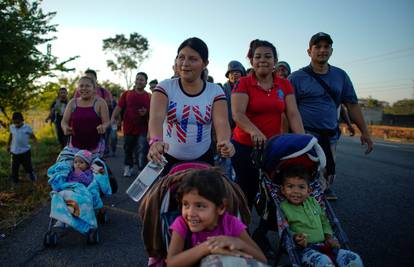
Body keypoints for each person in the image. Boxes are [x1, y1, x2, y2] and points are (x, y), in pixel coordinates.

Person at [288, 32, 373, 200]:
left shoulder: (340, 76)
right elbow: (288, 110)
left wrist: (365, 132)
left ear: (331, 51)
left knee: (325, 180)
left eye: (326, 47)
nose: (322, 50)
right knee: (300, 181)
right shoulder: (296, 78)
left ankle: (322, 209)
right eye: (317, 47)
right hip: (304, 138)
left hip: (330, 137)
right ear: (309, 51)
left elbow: (352, 105)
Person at [231, 39, 304, 209]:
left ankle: (263, 231)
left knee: (274, 192)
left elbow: (293, 114)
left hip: (273, 148)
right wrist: (254, 131)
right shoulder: (243, 83)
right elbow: (237, 114)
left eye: (268, 56)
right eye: (258, 57)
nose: (262, 60)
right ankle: (241, 230)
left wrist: (303, 140)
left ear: (275, 61)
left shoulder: (284, 84)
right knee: (245, 191)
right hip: (245, 147)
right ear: (252, 61)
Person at [147, 37, 234, 174]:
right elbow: (156, 117)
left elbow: (221, 121)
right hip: (166, 158)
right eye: (181, 57)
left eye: (193, 59)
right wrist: (156, 141)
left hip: (203, 159)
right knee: (164, 195)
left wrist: (225, 142)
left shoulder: (215, 91)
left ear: (205, 63)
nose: (185, 63)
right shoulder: (165, 87)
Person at [167, 168, 267, 267]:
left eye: (200, 206)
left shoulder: (231, 224)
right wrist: (207, 247)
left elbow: (262, 259)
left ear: (221, 207)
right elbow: (171, 263)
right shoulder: (181, 224)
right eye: (186, 204)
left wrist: (239, 243)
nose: (190, 213)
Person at [280, 164, 364, 267]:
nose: (296, 191)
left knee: (353, 258)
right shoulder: (284, 207)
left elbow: (324, 221)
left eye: (301, 187)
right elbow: (284, 230)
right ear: (283, 190)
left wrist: (329, 237)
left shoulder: (314, 202)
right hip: (305, 250)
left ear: (309, 190)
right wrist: (295, 237)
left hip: (326, 244)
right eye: (290, 186)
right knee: (323, 262)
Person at [111, 72, 151, 177]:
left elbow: (153, 113)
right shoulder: (127, 94)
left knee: (142, 149)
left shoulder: (149, 96)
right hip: (128, 128)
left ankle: (141, 169)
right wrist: (113, 118)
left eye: (141, 79)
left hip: (143, 128)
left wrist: (146, 112)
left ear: (146, 82)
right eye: (137, 79)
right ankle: (128, 167)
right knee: (128, 148)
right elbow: (118, 107)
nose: (139, 81)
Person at [61, 76, 110, 154]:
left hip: (95, 148)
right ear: (77, 89)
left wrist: (103, 127)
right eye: (81, 86)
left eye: (87, 86)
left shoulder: (100, 102)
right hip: (74, 147)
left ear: (94, 89)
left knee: (94, 166)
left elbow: (107, 122)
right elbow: (64, 122)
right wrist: (65, 128)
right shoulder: (72, 102)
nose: (84, 88)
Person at [7, 112, 38, 184]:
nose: (16, 124)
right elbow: (10, 136)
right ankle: (15, 181)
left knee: (28, 167)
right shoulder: (12, 127)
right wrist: (8, 145)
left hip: (25, 152)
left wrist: (36, 146)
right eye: (15, 123)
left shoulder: (27, 128)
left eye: (18, 122)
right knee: (14, 168)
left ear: (22, 120)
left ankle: (32, 176)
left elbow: (34, 138)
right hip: (14, 152)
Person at [275, 61, 291, 133]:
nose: (281, 72)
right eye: (278, 70)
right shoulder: (270, 86)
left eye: (283, 70)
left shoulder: (293, 85)